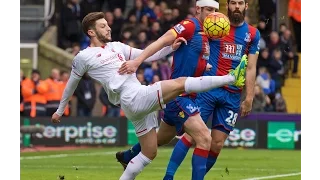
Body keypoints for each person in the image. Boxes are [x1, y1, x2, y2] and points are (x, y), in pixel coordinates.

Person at [51, 11, 247, 180]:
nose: (108, 28)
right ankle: (230, 78)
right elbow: (71, 84)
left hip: (136, 104)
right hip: (133, 98)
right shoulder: (83, 57)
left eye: (108, 24)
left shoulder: (117, 47)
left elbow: (147, 54)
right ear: (91, 32)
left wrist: (171, 48)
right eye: (103, 26)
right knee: (180, 84)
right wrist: (60, 111)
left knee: (149, 152)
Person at [116, 0, 260, 179]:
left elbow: (190, 58)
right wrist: (138, 61)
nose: (212, 14)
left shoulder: (208, 35)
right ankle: (169, 176)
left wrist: (178, 52)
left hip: (189, 96)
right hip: (180, 95)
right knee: (203, 138)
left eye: (215, 10)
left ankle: (129, 156)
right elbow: (161, 40)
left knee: (161, 139)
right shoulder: (189, 26)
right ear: (198, 9)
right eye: (208, 10)